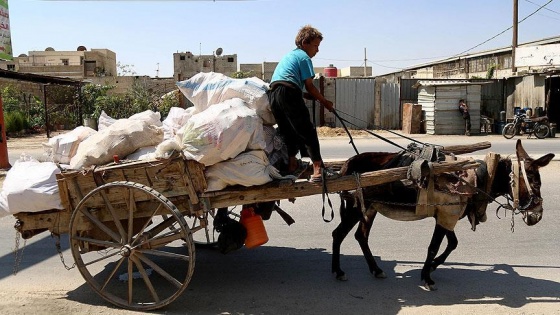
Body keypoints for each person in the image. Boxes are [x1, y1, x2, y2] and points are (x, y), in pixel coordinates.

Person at [268, 25, 334, 182]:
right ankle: (318, 170)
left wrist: (304, 95)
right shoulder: (304, 58)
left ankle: (292, 165)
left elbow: (284, 83)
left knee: (288, 131)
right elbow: (310, 86)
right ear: (305, 42)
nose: (317, 50)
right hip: (288, 92)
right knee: (307, 130)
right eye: (315, 46)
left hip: (274, 96)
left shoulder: (289, 56)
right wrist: (325, 102)